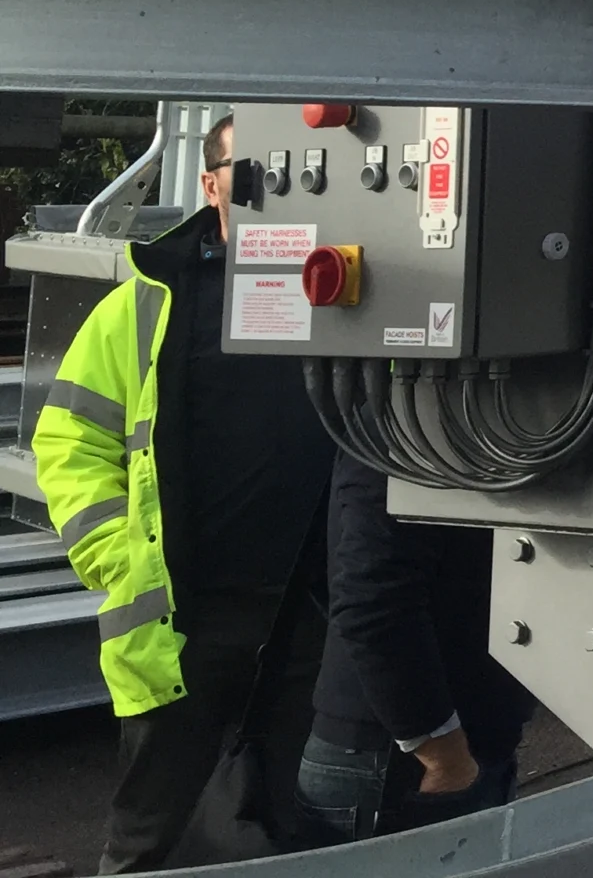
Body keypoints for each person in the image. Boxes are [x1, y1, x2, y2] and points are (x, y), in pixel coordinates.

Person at [33, 114, 336, 871]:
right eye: (253, 173)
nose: (277, 190)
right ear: (210, 185)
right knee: (151, 835)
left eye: (294, 172)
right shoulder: (147, 302)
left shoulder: (345, 292)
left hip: (313, 617)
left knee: (297, 831)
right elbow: (69, 441)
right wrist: (119, 557)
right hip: (187, 619)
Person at [296, 451, 533, 842]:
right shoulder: (406, 426)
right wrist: (445, 757)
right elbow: (370, 601)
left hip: (452, 747)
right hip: (402, 760)